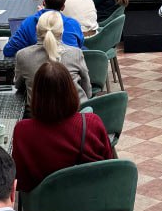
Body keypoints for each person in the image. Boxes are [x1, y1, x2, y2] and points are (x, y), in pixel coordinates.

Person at [12, 60, 114, 192]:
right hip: (90, 199)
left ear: (36, 94)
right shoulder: (92, 124)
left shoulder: (22, 131)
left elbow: (21, 182)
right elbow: (109, 166)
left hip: (43, 203)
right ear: (71, 91)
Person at [14, 11, 91, 110]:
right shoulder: (76, 53)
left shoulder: (23, 55)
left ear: (37, 29)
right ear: (62, 31)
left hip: (37, 112)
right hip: (74, 110)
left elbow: (18, 85)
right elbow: (86, 85)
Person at [2, 0, 84, 58]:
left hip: (36, 70)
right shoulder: (73, 25)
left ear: (44, 3)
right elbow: (78, 48)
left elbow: (8, 50)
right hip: (68, 70)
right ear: (63, 7)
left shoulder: (29, 22)